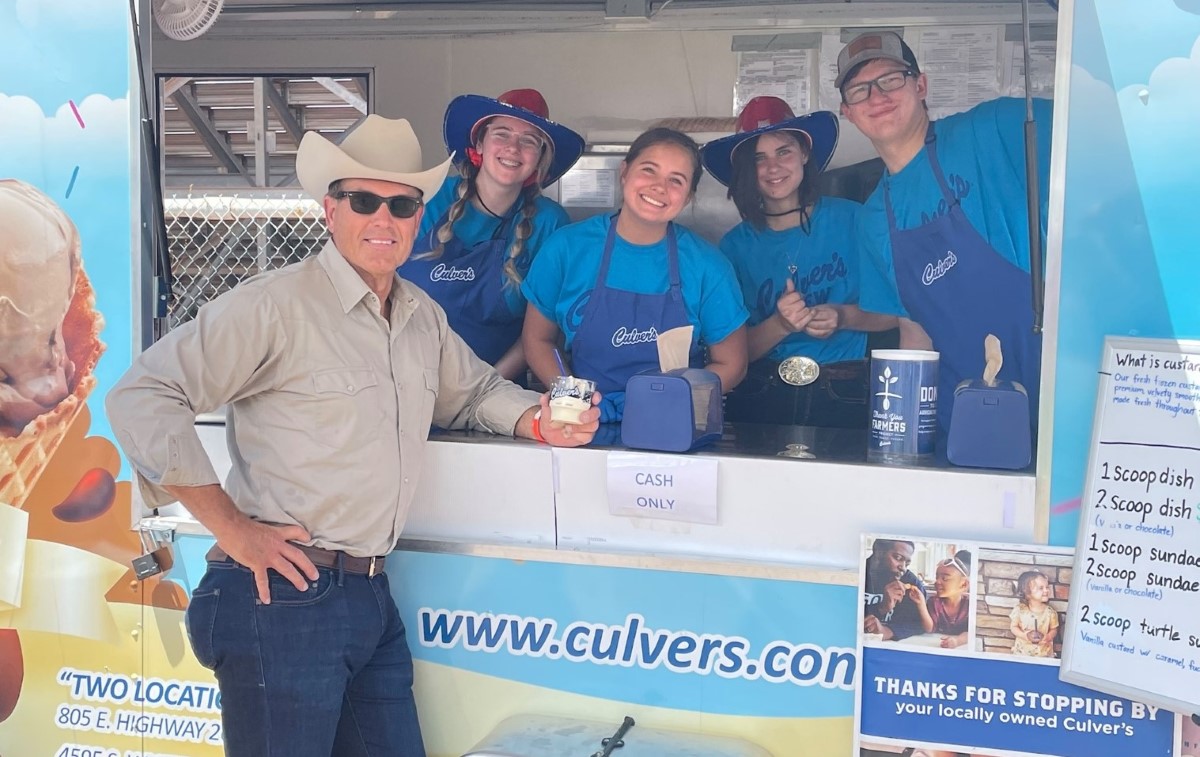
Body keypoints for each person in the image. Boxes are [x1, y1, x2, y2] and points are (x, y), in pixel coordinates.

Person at [105, 115, 600, 757]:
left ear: (419, 217)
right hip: (277, 596)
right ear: (329, 210)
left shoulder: (421, 316)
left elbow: (474, 392)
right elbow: (141, 397)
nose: (383, 219)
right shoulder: (276, 305)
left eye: (400, 204)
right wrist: (232, 529)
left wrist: (537, 419)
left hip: (369, 590)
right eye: (364, 201)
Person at [836, 31, 1052, 437]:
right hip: (965, 421)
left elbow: (1098, 133)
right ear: (848, 111)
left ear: (921, 85)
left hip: (1057, 392)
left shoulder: (994, 128)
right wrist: (903, 438)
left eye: (891, 79)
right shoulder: (872, 220)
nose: (876, 96)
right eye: (860, 89)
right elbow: (914, 330)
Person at [521, 127, 749, 422]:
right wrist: (575, 401)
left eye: (676, 180)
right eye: (649, 170)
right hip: (581, 423)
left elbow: (732, 363)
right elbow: (537, 340)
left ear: (689, 195)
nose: (659, 187)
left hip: (672, 425)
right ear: (625, 172)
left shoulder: (708, 266)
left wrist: (668, 401)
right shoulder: (566, 249)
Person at [701, 96, 896, 428]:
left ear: (805, 153)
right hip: (761, 396)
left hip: (847, 391)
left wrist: (841, 315)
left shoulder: (854, 220)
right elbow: (728, 355)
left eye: (783, 152)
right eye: (758, 158)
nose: (773, 167)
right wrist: (781, 324)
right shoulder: (734, 247)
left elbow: (896, 313)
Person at [401, 89, 583, 381]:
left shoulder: (550, 224)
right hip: (405, 378)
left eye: (529, 141)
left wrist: (484, 389)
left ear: (540, 158)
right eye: (502, 133)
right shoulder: (428, 198)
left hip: (493, 387)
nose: (513, 147)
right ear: (480, 143)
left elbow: (540, 331)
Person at [863, 538, 926, 641]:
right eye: (898, 558)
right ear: (879, 551)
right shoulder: (855, 576)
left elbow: (921, 623)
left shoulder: (911, 583)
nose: (903, 567)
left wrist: (888, 631)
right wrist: (881, 608)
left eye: (907, 563)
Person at [913, 552, 971, 649]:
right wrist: (921, 604)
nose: (937, 582)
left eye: (945, 578)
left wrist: (957, 641)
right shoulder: (934, 603)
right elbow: (929, 628)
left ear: (963, 585)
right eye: (937, 577)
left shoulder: (969, 606)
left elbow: (972, 632)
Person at [1010, 569, 1059, 657]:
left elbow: (1054, 629)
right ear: (1027, 592)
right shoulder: (1020, 610)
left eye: (1047, 587)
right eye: (1041, 588)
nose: (1046, 590)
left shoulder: (1050, 612)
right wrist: (1024, 635)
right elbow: (1013, 627)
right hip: (1022, 653)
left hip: (1043, 654)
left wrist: (1048, 637)